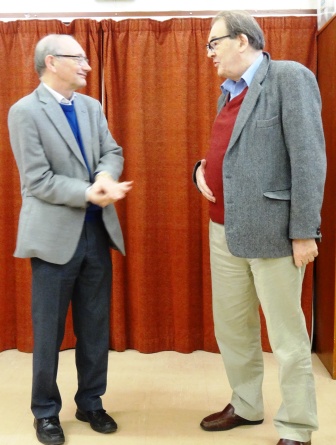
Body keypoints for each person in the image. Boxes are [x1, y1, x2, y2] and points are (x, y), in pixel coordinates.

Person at [193, 10, 326, 445]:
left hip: (275, 233)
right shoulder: (227, 93)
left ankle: (297, 426)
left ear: (243, 41)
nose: (210, 52)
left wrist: (305, 230)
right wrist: (200, 169)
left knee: (287, 338)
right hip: (224, 231)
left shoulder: (289, 77)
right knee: (233, 329)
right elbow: (231, 154)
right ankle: (247, 404)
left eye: (214, 43)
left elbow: (309, 158)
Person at [8, 34, 133, 445]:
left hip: (97, 233)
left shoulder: (92, 107)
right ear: (51, 62)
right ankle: (45, 412)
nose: (87, 66)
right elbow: (37, 180)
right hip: (53, 238)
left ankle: (91, 402)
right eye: (77, 59)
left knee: (95, 327)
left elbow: (112, 151)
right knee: (48, 332)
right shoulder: (24, 112)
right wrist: (85, 193)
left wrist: (104, 176)